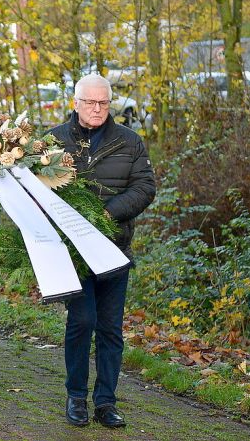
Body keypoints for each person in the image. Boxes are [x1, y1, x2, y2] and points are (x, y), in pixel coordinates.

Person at [50, 74, 156, 429]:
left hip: (114, 248)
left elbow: (145, 187)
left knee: (110, 329)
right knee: (82, 322)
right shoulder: (52, 141)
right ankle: (76, 397)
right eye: (90, 102)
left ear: (109, 104)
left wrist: (108, 213)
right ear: (75, 102)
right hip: (72, 253)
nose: (97, 109)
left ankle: (106, 402)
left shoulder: (129, 141)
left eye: (103, 103)